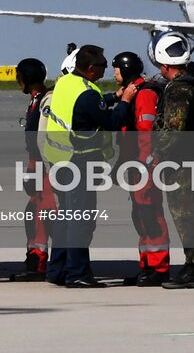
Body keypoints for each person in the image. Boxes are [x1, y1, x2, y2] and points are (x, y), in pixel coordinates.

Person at [39, 44, 136, 288]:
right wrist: (124, 100)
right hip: (77, 163)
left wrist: (111, 97)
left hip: (58, 160)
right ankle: (77, 273)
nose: (107, 69)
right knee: (80, 220)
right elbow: (113, 120)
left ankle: (57, 269)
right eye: (104, 66)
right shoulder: (88, 94)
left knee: (65, 218)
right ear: (91, 69)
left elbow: (85, 107)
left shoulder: (66, 83)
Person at [150, 34, 194, 289]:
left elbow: (173, 128)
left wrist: (156, 154)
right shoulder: (190, 82)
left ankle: (193, 267)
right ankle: (192, 264)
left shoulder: (178, 88)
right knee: (187, 211)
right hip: (189, 157)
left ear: (165, 65)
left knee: (184, 212)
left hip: (180, 161)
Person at [113, 50, 170, 286]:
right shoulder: (131, 92)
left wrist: (146, 164)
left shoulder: (144, 94)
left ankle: (159, 267)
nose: (114, 72)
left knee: (150, 213)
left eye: (116, 68)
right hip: (134, 164)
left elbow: (146, 133)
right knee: (140, 214)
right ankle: (147, 264)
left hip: (144, 165)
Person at [9, 56, 55, 281]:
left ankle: (48, 263)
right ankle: (36, 260)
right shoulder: (36, 100)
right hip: (37, 165)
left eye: (19, 77)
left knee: (48, 214)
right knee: (34, 213)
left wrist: (36, 168)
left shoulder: (46, 101)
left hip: (45, 167)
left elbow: (42, 140)